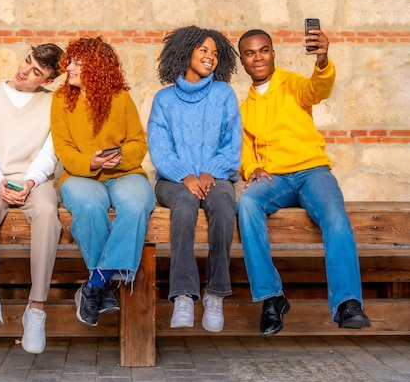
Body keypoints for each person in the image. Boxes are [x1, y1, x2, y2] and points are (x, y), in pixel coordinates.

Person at [236, 28, 371, 337]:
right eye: (250, 53)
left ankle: (347, 303)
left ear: (273, 53)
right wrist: (252, 168)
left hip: (313, 172)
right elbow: (243, 150)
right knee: (246, 204)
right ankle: (272, 297)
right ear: (242, 60)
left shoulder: (292, 84)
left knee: (335, 217)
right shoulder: (243, 109)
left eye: (264, 50)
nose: (258, 57)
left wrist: (322, 60)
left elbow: (317, 88)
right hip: (276, 179)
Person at [50, 37, 155, 326]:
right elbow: (63, 147)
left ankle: (96, 283)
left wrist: (119, 157)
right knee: (89, 204)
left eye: (76, 63)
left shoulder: (120, 98)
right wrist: (90, 163)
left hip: (124, 173)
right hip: (80, 175)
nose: (68, 67)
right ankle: (105, 286)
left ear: (95, 68)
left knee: (136, 204)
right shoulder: (60, 100)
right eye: (69, 60)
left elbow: (137, 142)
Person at [0, 43, 64, 354]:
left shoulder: (54, 103)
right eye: (27, 61)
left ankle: (36, 308)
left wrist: (32, 180)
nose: (25, 71)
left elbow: (50, 151)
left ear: (48, 81)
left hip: (35, 179)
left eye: (36, 71)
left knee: (49, 213)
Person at [147, 26, 242, 332]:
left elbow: (232, 143)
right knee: (185, 206)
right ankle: (184, 295)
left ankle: (214, 293)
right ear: (185, 51)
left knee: (225, 207)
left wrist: (208, 172)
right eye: (203, 50)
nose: (210, 58)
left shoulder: (224, 94)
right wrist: (185, 176)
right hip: (174, 181)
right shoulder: (164, 99)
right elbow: (159, 149)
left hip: (215, 177)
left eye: (215, 53)